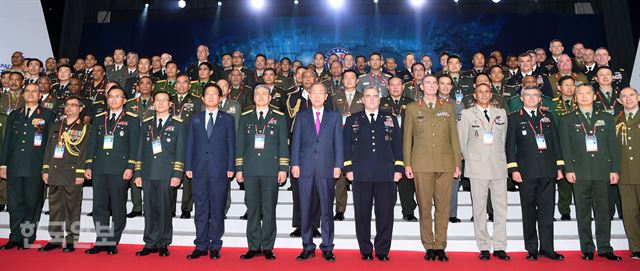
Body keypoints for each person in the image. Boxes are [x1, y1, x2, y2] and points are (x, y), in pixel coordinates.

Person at [558, 84, 622, 261]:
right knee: (583, 212)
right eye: (580, 94)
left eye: (588, 93)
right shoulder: (567, 119)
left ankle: (604, 247)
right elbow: (565, 147)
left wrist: (615, 169)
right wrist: (568, 169)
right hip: (579, 172)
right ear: (575, 97)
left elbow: (613, 147)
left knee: (603, 211)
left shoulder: (607, 118)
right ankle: (587, 247)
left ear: (594, 97)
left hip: (602, 171)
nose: (584, 96)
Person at [403, 75, 462, 261]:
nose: (431, 86)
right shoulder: (412, 108)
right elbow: (407, 140)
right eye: (427, 83)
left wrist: (457, 163)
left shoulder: (448, 108)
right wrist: (407, 163)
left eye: (434, 83)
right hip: (421, 165)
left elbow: (454, 137)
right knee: (425, 206)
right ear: (421, 86)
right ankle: (428, 245)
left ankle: (440, 245)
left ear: (438, 87)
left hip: (445, 164)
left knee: (443, 207)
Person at [343, 87, 403, 262]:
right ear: (363, 100)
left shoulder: (390, 119)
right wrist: (348, 169)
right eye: (368, 96)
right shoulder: (353, 119)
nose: (371, 99)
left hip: (386, 173)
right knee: (362, 214)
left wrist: (399, 168)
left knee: (385, 214)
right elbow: (346, 146)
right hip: (360, 174)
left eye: (375, 96)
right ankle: (366, 250)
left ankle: (383, 249)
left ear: (380, 99)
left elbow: (397, 145)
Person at [506, 87, 565, 261]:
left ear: (540, 99)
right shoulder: (515, 118)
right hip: (526, 172)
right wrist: (513, 169)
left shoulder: (548, 117)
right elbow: (510, 146)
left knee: (547, 212)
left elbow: (556, 142)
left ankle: (547, 248)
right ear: (522, 98)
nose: (532, 98)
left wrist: (559, 167)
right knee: (529, 211)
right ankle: (532, 248)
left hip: (547, 170)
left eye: (535, 96)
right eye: (528, 96)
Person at [290, 82, 343, 262]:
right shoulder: (301, 116)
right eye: (314, 93)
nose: (317, 96)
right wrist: (294, 163)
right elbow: (295, 141)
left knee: (327, 209)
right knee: (305, 208)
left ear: (326, 96)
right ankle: (307, 246)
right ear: (309, 96)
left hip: (327, 167)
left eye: (321, 93)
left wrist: (338, 165)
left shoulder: (334, 117)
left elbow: (338, 143)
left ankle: (327, 247)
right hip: (304, 168)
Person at [235, 85, 288, 260]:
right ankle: (253, 246)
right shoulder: (245, 117)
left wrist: (283, 169)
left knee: (269, 209)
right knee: (252, 209)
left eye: (264, 94)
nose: (260, 96)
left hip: (271, 170)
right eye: (257, 94)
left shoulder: (279, 118)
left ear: (270, 98)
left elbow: (283, 145)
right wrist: (239, 169)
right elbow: (240, 144)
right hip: (250, 170)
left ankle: (267, 247)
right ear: (253, 97)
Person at [84, 86, 140, 255]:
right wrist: (88, 165)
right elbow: (92, 143)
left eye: (118, 96)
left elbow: (135, 145)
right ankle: (101, 240)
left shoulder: (132, 119)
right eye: (111, 97)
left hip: (119, 169)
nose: (114, 99)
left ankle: (113, 240)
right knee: (99, 206)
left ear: (124, 100)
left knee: (117, 206)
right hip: (100, 168)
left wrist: (131, 167)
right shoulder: (100, 118)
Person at [457, 83, 510, 261]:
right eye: (480, 92)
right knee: (479, 209)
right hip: (477, 167)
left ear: (491, 94)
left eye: (487, 92)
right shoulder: (466, 114)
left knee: (500, 208)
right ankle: (484, 246)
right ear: (475, 94)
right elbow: (462, 142)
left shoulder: (501, 113)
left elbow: (504, 140)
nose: (484, 94)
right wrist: (471, 157)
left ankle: (500, 246)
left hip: (498, 166)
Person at [0, 83, 55, 249]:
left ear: (40, 96)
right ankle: (15, 236)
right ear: (23, 95)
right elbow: (7, 140)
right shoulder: (15, 115)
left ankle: (27, 237)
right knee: (15, 203)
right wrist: (3, 164)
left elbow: (50, 144)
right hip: (15, 165)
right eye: (28, 91)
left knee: (32, 203)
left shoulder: (47, 114)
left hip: (35, 166)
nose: (30, 94)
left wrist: (46, 166)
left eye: (34, 92)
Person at [184, 84, 235, 259]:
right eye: (208, 94)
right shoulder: (195, 119)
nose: (211, 97)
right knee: (200, 208)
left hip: (219, 170)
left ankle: (215, 245)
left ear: (220, 98)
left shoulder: (228, 119)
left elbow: (231, 145)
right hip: (198, 170)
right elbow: (190, 143)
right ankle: (200, 245)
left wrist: (231, 167)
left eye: (214, 94)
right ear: (203, 98)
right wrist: (188, 166)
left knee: (217, 208)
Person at [133, 91, 186, 257]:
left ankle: (163, 243)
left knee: (164, 210)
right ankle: (150, 242)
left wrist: (177, 174)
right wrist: (138, 173)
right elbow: (140, 150)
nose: (161, 103)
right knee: (149, 210)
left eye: (164, 100)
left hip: (167, 173)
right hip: (148, 173)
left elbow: (180, 151)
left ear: (170, 104)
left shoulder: (178, 123)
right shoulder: (147, 123)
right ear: (153, 104)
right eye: (157, 100)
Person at [39, 97, 90, 253]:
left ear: (81, 109)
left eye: (73, 105)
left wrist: (80, 172)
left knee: (72, 209)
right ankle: (55, 238)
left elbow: (84, 152)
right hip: (55, 171)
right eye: (67, 105)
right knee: (55, 208)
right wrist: (46, 170)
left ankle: (71, 239)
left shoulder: (85, 128)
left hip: (72, 172)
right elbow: (48, 148)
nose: (69, 108)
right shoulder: (56, 125)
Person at [380, 77, 417, 221]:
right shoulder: (381, 103)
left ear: (403, 87)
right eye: (392, 85)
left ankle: (408, 211)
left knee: (407, 182)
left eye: (398, 85)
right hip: (386, 147)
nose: (395, 88)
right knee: (387, 182)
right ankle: (386, 212)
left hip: (407, 146)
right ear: (388, 88)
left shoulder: (412, 104)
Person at [331, 70, 364, 220]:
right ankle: (339, 210)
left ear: (357, 81)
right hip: (340, 141)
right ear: (342, 80)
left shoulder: (364, 97)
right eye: (346, 78)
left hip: (359, 143)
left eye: (352, 78)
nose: (349, 80)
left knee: (360, 177)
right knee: (340, 179)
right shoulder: (335, 98)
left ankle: (361, 209)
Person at [171, 74, 203, 219]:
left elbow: (200, 124)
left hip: (190, 142)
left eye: (185, 82)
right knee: (170, 175)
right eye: (179, 83)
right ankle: (170, 208)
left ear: (189, 85)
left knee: (188, 176)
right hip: (169, 144)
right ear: (175, 85)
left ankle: (186, 208)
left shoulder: (196, 101)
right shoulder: (168, 100)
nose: (182, 85)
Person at [615, 86, 640, 259]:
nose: (628, 99)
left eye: (631, 95)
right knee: (630, 214)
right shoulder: (616, 119)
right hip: (624, 174)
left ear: (638, 97)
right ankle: (636, 247)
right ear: (620, 101)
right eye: (624, 96)